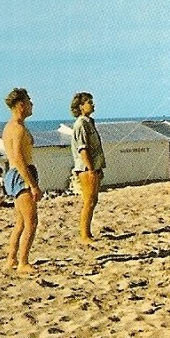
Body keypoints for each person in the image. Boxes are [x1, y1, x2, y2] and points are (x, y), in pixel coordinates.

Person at [2, 88, 42, 274]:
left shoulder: (12, 126)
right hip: (21, 174)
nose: (32, 104)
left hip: (15, 173)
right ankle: (23, 263)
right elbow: (18, 157)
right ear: (21, 105)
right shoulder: (16, 128)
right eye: (29, 100)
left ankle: (11, 259)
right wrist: (32, 185)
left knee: (20, 222)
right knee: (31, 222)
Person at [70, 92, 106, 245]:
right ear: (81, 106)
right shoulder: (81, 124)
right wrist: (91, 169)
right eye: (89, 102)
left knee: (93, 200)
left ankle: (88, 232)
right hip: (85, 168)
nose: (92, 104)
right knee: (89, 201)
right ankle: (84, 235)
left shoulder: (89, 122)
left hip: (93, 167)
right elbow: (82, 149)